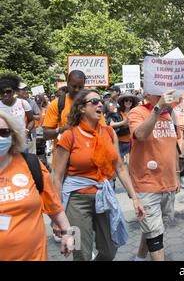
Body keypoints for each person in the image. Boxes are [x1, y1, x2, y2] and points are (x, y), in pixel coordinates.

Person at [53, 89, 144, 261]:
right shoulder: (69, 136)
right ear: (81, 108)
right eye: (94, 102)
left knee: (110, 250)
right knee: (81, 253)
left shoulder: (109, 133)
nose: (100, 104)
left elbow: (120, 167)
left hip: (104, 197)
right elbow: (57, 177)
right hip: (76, 201)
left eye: (100, 101)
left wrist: (135, 198)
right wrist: (57, 215)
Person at [0, 111, 73, 261]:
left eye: (4, 132)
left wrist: (68, 235)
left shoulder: (31, 164)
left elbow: (55, 207)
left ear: (14, 137)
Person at [128, 89, 179, 261]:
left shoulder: (169, 114)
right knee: (155, 234)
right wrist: (158, 107)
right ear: (147, 94)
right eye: (157, 92)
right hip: (146, 184)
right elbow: (141, 135)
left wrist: (177, 176)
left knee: (154, 228)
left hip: (168, 183)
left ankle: (140, 257)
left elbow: (172, 148)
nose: (163, 95)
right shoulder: (137, 112)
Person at [43, 70, 89, 171]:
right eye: (73, 86)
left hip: (89, 165)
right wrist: (62, 129)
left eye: (80, 87)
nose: (77, 90)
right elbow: (46, 134)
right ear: (67, 83)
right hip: (63, 165)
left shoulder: (91, 103)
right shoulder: (56, 104)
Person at [0, 74, 35, 150]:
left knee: (21, 161)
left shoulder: (23, 103)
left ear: (13, 91)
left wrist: (27, 130)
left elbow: (31, 120)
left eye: (8, 91)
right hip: (3, 143)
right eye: (2, 92)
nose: (5, 94)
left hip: (20, 142)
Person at [107, 93, 140, 161]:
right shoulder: (117, 112)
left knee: (130, 165)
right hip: (120, 143)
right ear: (123, 102)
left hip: (132, 143)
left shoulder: (135, 112)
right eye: (126, 100)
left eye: (130, 101)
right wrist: (123, 122)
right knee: (121, 165)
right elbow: (110, 124)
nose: (128, 102)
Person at [17, 82, 41, 154]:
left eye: (26, 89)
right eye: (23, 90)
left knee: (31, 155)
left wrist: (28, 114)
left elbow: (38, 117)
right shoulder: (13, 103)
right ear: (17, 91)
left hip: (30, 134)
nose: (26, 91)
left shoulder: (32, 102)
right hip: (17, 135)